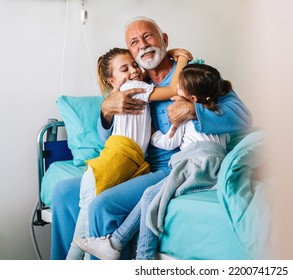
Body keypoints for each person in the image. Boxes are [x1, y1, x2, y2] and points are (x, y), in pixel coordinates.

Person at [50, 16, 252, 260]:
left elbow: (242, 116)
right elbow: (109, 139)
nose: (143, 45)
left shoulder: (195, 76)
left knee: (103, 206)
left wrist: (194, 110)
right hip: (136, 166)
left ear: (164, 40)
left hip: (172, 166)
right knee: (63, 192)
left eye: (148, 36)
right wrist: (106, 111)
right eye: (134, 42)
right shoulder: (135, 82)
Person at [74, 63, 232, 260]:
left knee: (149, 196)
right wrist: (106, 109)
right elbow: (223, 141)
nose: (176, 89)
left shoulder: (182, 111)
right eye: (125, 68)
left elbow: (169, 142)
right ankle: (116, 244)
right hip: (217, 166)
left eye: (180, 87)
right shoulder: (215, 113)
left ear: (191, 98)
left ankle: (140, 256)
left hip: (190, 162)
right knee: (67, 191)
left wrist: (153, 135)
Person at [65, 47, 189, 259]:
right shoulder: (134, 87)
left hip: (124, 158)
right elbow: (175, 88)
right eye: (124, 68)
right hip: (117, 159)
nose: (133, 70)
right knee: (82, 239)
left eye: (134, 65)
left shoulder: (132, 89)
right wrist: (183, 58)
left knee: (84, 240)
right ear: (112, 80)